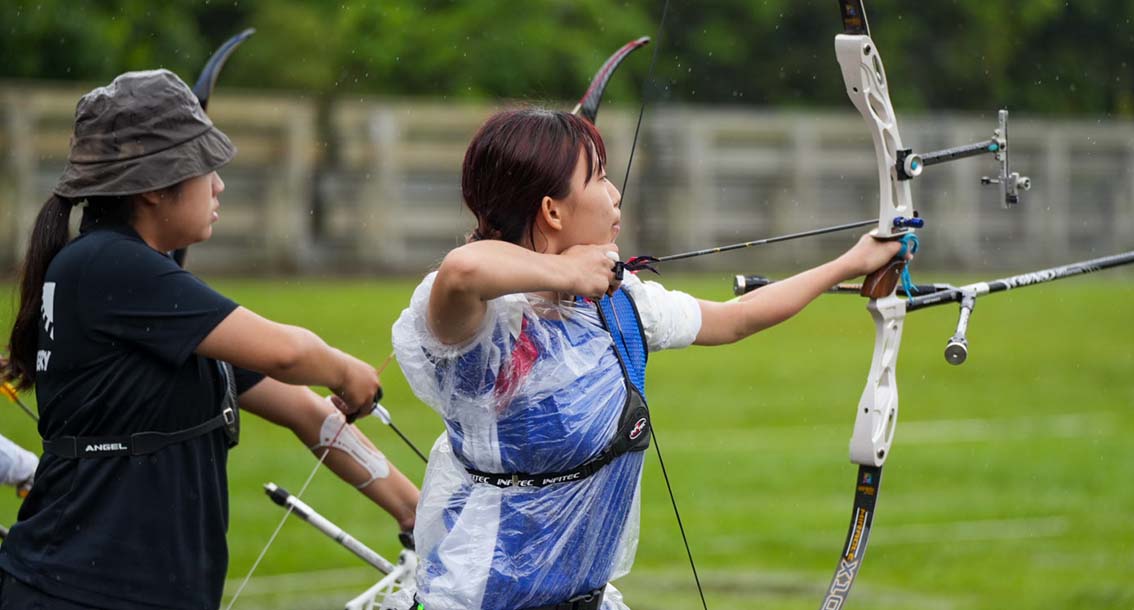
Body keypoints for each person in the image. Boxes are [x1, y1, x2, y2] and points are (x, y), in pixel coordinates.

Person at [390, 108, 909, 610]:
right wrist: (568, 273)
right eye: (599, 177)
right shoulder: (479, 328)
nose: (615, 195)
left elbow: (737, 318)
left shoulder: (616, 306)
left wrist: (852, 261)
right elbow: (462, 270)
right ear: (552, 210)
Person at [0, 69, 397, 610]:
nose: (219, 185)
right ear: (154, 186)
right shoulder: (107, 266)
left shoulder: (148, 296)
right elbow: (288, 353)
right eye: (205, 168)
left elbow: (307, 412)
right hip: (83, 593)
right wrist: (347, 372)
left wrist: (418, 513)